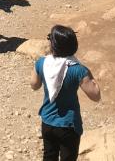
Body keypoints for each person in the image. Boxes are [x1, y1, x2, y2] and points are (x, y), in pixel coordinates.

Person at [32, 25, 101, 161]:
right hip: (68, 125)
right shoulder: (78, 70)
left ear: (54, 45)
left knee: (49, 156)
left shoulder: (41, 63)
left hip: (47, 121)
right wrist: (89, 74)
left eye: (49, 38)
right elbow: (96, 96)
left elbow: (34, 85)